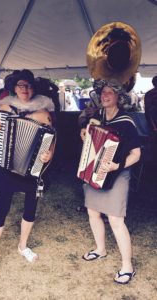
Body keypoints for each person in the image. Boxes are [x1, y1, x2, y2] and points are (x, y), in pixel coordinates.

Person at [0, 69, 55, 278]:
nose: (25, 89)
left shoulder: (43, 111)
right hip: (6, 166)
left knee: (30, 208)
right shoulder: (5, 107)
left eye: (29, 85)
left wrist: (48, 154)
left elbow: (52, 138)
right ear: (14, 87)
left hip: (31, 168)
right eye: (21, 85)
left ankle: (23, 246)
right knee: (1, 208)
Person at [80, 79, 141, 284]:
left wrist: (117, 166)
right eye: (102, 92)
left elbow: (136, 154)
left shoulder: (126, 122)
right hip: (95, 172)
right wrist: (84, 135)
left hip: (118, 173)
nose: (104, 95)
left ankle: (127, 267)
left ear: (118, 97)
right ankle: (101, 249)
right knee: (93, 212)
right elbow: (91, 141)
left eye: (109, 93)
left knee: (115, 219)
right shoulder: (97, 117)